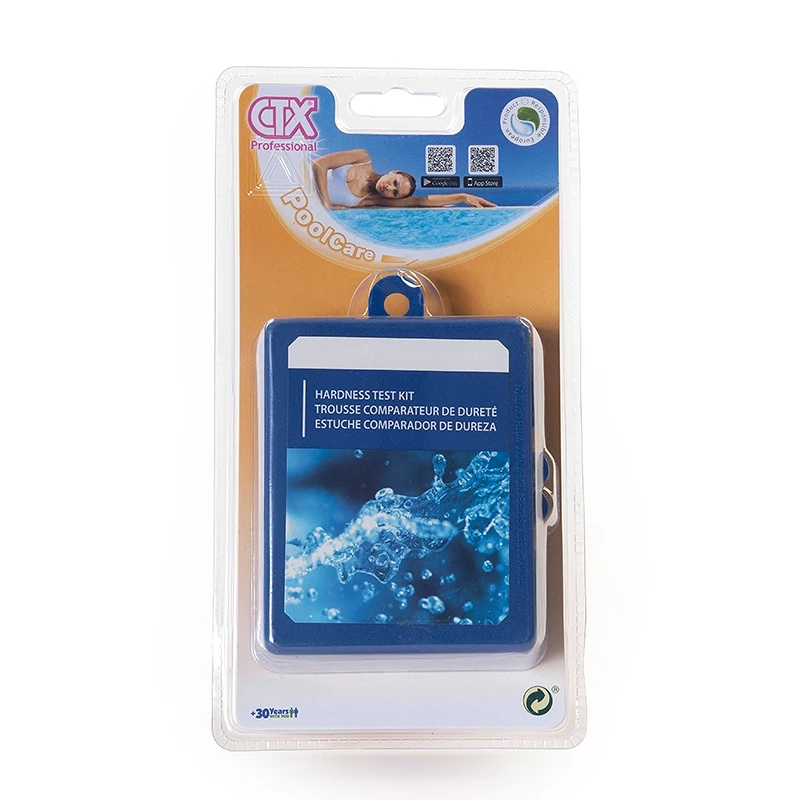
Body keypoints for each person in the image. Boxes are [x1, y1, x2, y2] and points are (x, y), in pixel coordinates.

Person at [312, 149, 497, 209]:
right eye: (395, 182)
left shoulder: (371, 200)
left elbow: (422, 201)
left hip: (301, 204)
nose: (389, 188)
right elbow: (319, 165)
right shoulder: (362, 158)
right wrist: (327, 206)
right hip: (298, 180)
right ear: (394, 171)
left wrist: (463, 196)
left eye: (395, 193)